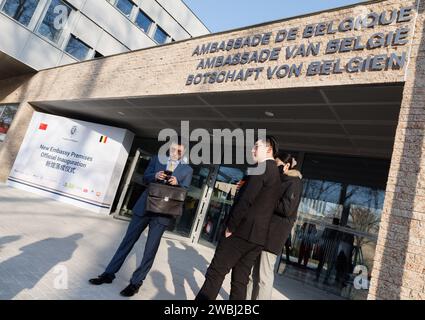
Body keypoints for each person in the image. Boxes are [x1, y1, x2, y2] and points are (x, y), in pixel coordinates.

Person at [89, 137, 193, 297]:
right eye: (173, 149)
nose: (175, 153)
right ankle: (108, 274)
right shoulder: (157, 159)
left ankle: (135, 283)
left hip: (162, 214)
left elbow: (185, 193)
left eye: (179, 150)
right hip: (144, 208)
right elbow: (145, 177)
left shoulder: (187, 170)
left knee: (149, 251)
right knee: (126, 242)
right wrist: (155, 176)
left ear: (183, 151)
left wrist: (177, 183)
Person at [195, 136, 282, 300]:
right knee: (240, 281)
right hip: (257, 238)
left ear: (269, 150)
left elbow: (246, 200)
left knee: (216, 272)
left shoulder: (261, 168)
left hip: (241, 231)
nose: (252, 150)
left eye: (257, 146)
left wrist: (231, 227)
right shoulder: (275, 174)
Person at [247, 153, 303, 300]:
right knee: (253, 273)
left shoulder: (294, 182)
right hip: (262, 233)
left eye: (278, 165)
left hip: (273, 237)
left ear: (287, 166)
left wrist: (268, 197)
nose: (275, 167)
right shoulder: (280, 180)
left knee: (264, 276)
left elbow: (287, 209)